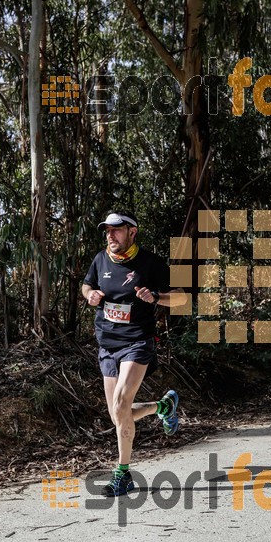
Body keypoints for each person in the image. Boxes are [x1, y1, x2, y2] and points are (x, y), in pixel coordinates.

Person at [82, 209, 188, 497]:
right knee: (119, 415)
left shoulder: (151, 263)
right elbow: (87, 284)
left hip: (137, 342)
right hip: (108, 345)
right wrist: (89, 295)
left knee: (120, 403)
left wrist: (156, 297)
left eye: (116, 229)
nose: (110, 235)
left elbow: (182, 297)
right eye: (107, 230)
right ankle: (163, 407)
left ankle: (123, 475)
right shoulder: (101, 259)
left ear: (132, 232)